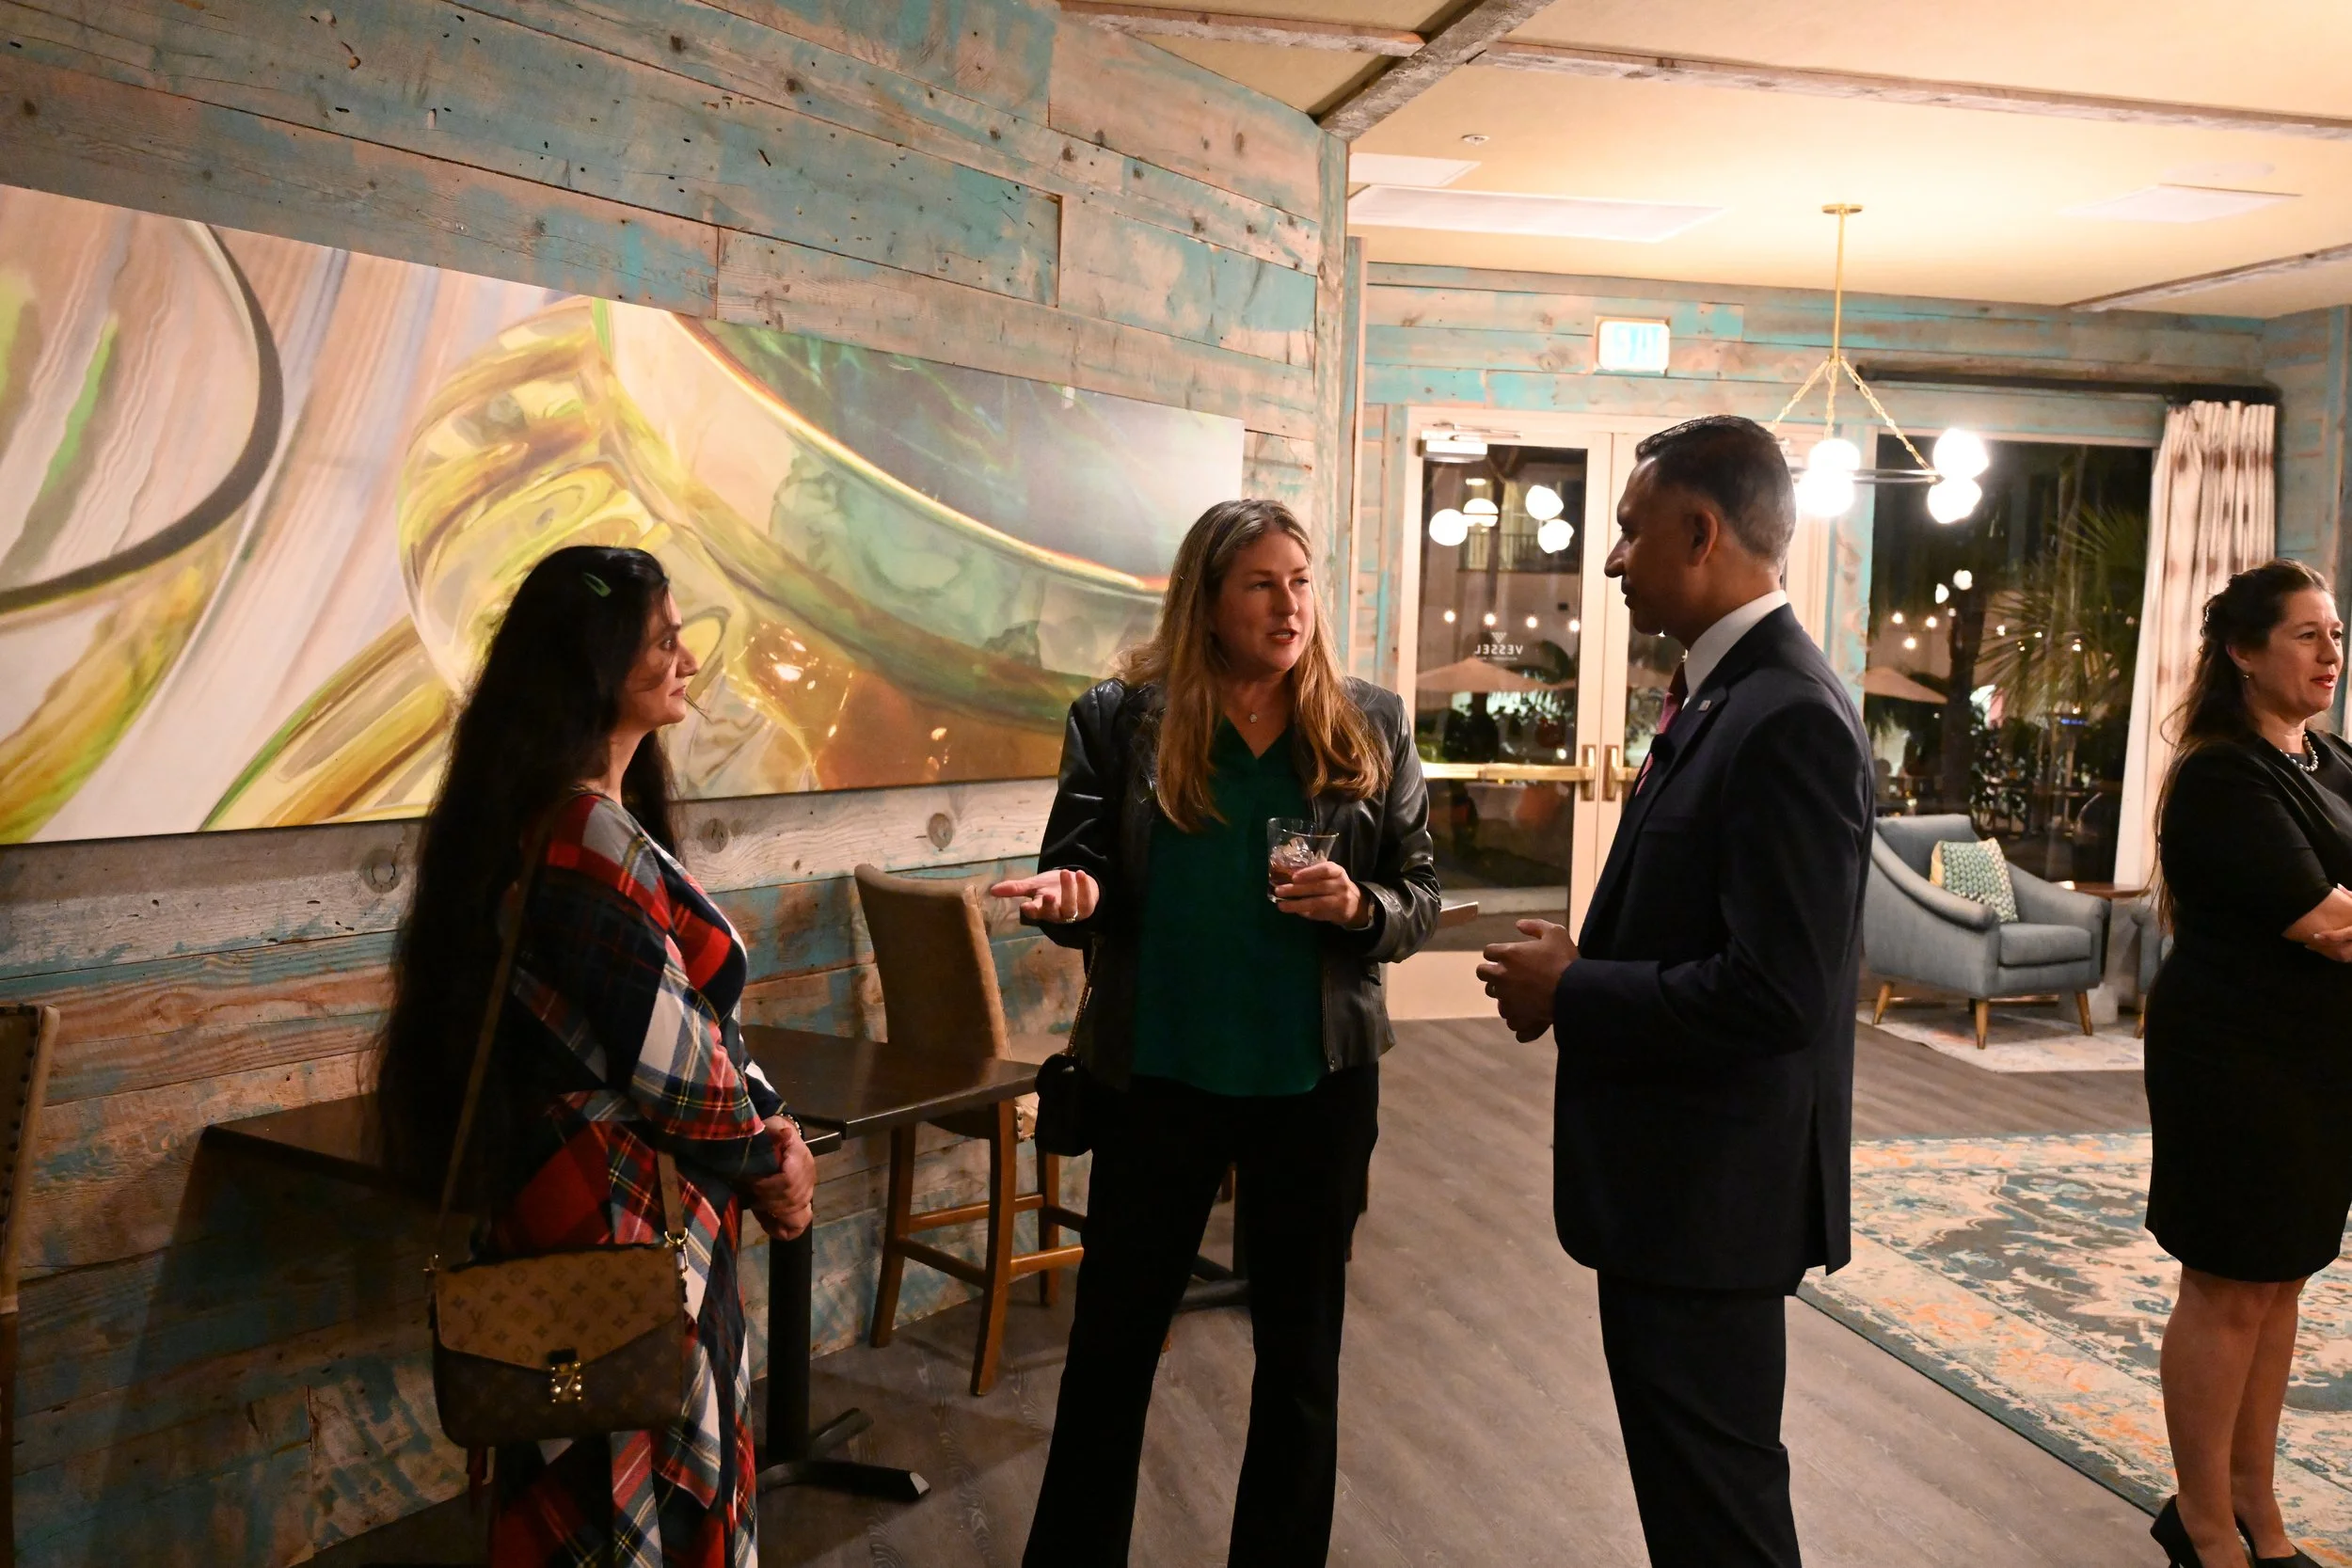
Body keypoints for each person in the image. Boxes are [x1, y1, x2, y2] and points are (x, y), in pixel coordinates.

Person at [993, 498, 1439, 1566]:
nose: (1291, 605)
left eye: (1301, 581)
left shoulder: (1370, 721)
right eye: (1261, 584)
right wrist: (1072, 897)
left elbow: (1419, 891)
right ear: (1206, 600)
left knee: (1300, 1359)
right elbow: (1082, 865)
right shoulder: (1120, 719)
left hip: (1315, 1084)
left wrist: (1362, 906)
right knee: (1110, 1352)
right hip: (1160, 1078)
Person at [1477, 415, 1871, 1568]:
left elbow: (1777, 993)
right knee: (1693, 1506)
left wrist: (1576, 987)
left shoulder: (1788, 713)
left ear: (1700, 533)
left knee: (1719, 1517)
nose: (1611, 559)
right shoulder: (1718, 692)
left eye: (1628, 529)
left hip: (1714, 1200)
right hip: (1674, 1189)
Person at [375, 545, 818, 1566]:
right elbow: (674, 1062)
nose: (687, 662)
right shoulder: (584, 831)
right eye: (663, 641)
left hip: (584, 1205)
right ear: (596, 661)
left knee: (593, 1478)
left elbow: (694, 1019)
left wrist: (771, 1123)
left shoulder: (569, 817)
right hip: (627, 1222)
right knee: (638, 1480)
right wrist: (773, 1160)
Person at [2143, 560, 2350, 1568]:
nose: (2331, 653)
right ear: (2242, 651)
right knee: (2227, 1287)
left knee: (2281, 1284)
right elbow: (2325, 918)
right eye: (2308, 634)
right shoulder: (2223, 774)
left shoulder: (2330, 760)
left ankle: (2255, 1508)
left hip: (2319, 1061)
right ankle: (2201, 1521)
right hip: (2234, 1062)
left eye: (2337, 634)